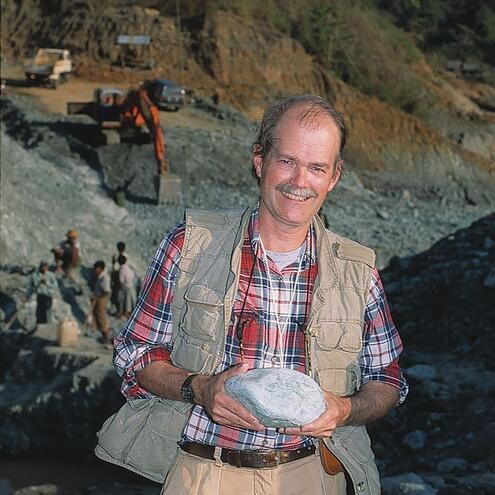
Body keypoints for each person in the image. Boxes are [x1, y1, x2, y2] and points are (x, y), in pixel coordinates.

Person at [112, 94, 408, 495]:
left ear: (334, 176)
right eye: (287, 161)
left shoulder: (358, 272)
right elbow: (136, 352)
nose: (300, 182)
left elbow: (387, 380)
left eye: (316, 167)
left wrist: (346, 409)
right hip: (203, 473)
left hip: (314, 475)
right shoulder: (191, 246)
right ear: (259, 160)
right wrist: (199, 388)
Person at [91, 260, 111, 343]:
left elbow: (106, 291)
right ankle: (102, 336)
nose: (96, 270)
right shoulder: (99, 277)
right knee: (97, 317)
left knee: (101, 317)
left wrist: (97, 297)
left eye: (97, 268)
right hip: (98, 299)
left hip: (101, 300)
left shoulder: (104, 278)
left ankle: (106, 337)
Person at [116, 255, 137, 319]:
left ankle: (124, 313)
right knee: (132, 301)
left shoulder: (121, 270)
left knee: (124, 301)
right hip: (131, 285)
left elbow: (121, 281)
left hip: (126, 288)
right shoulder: (128, 267)